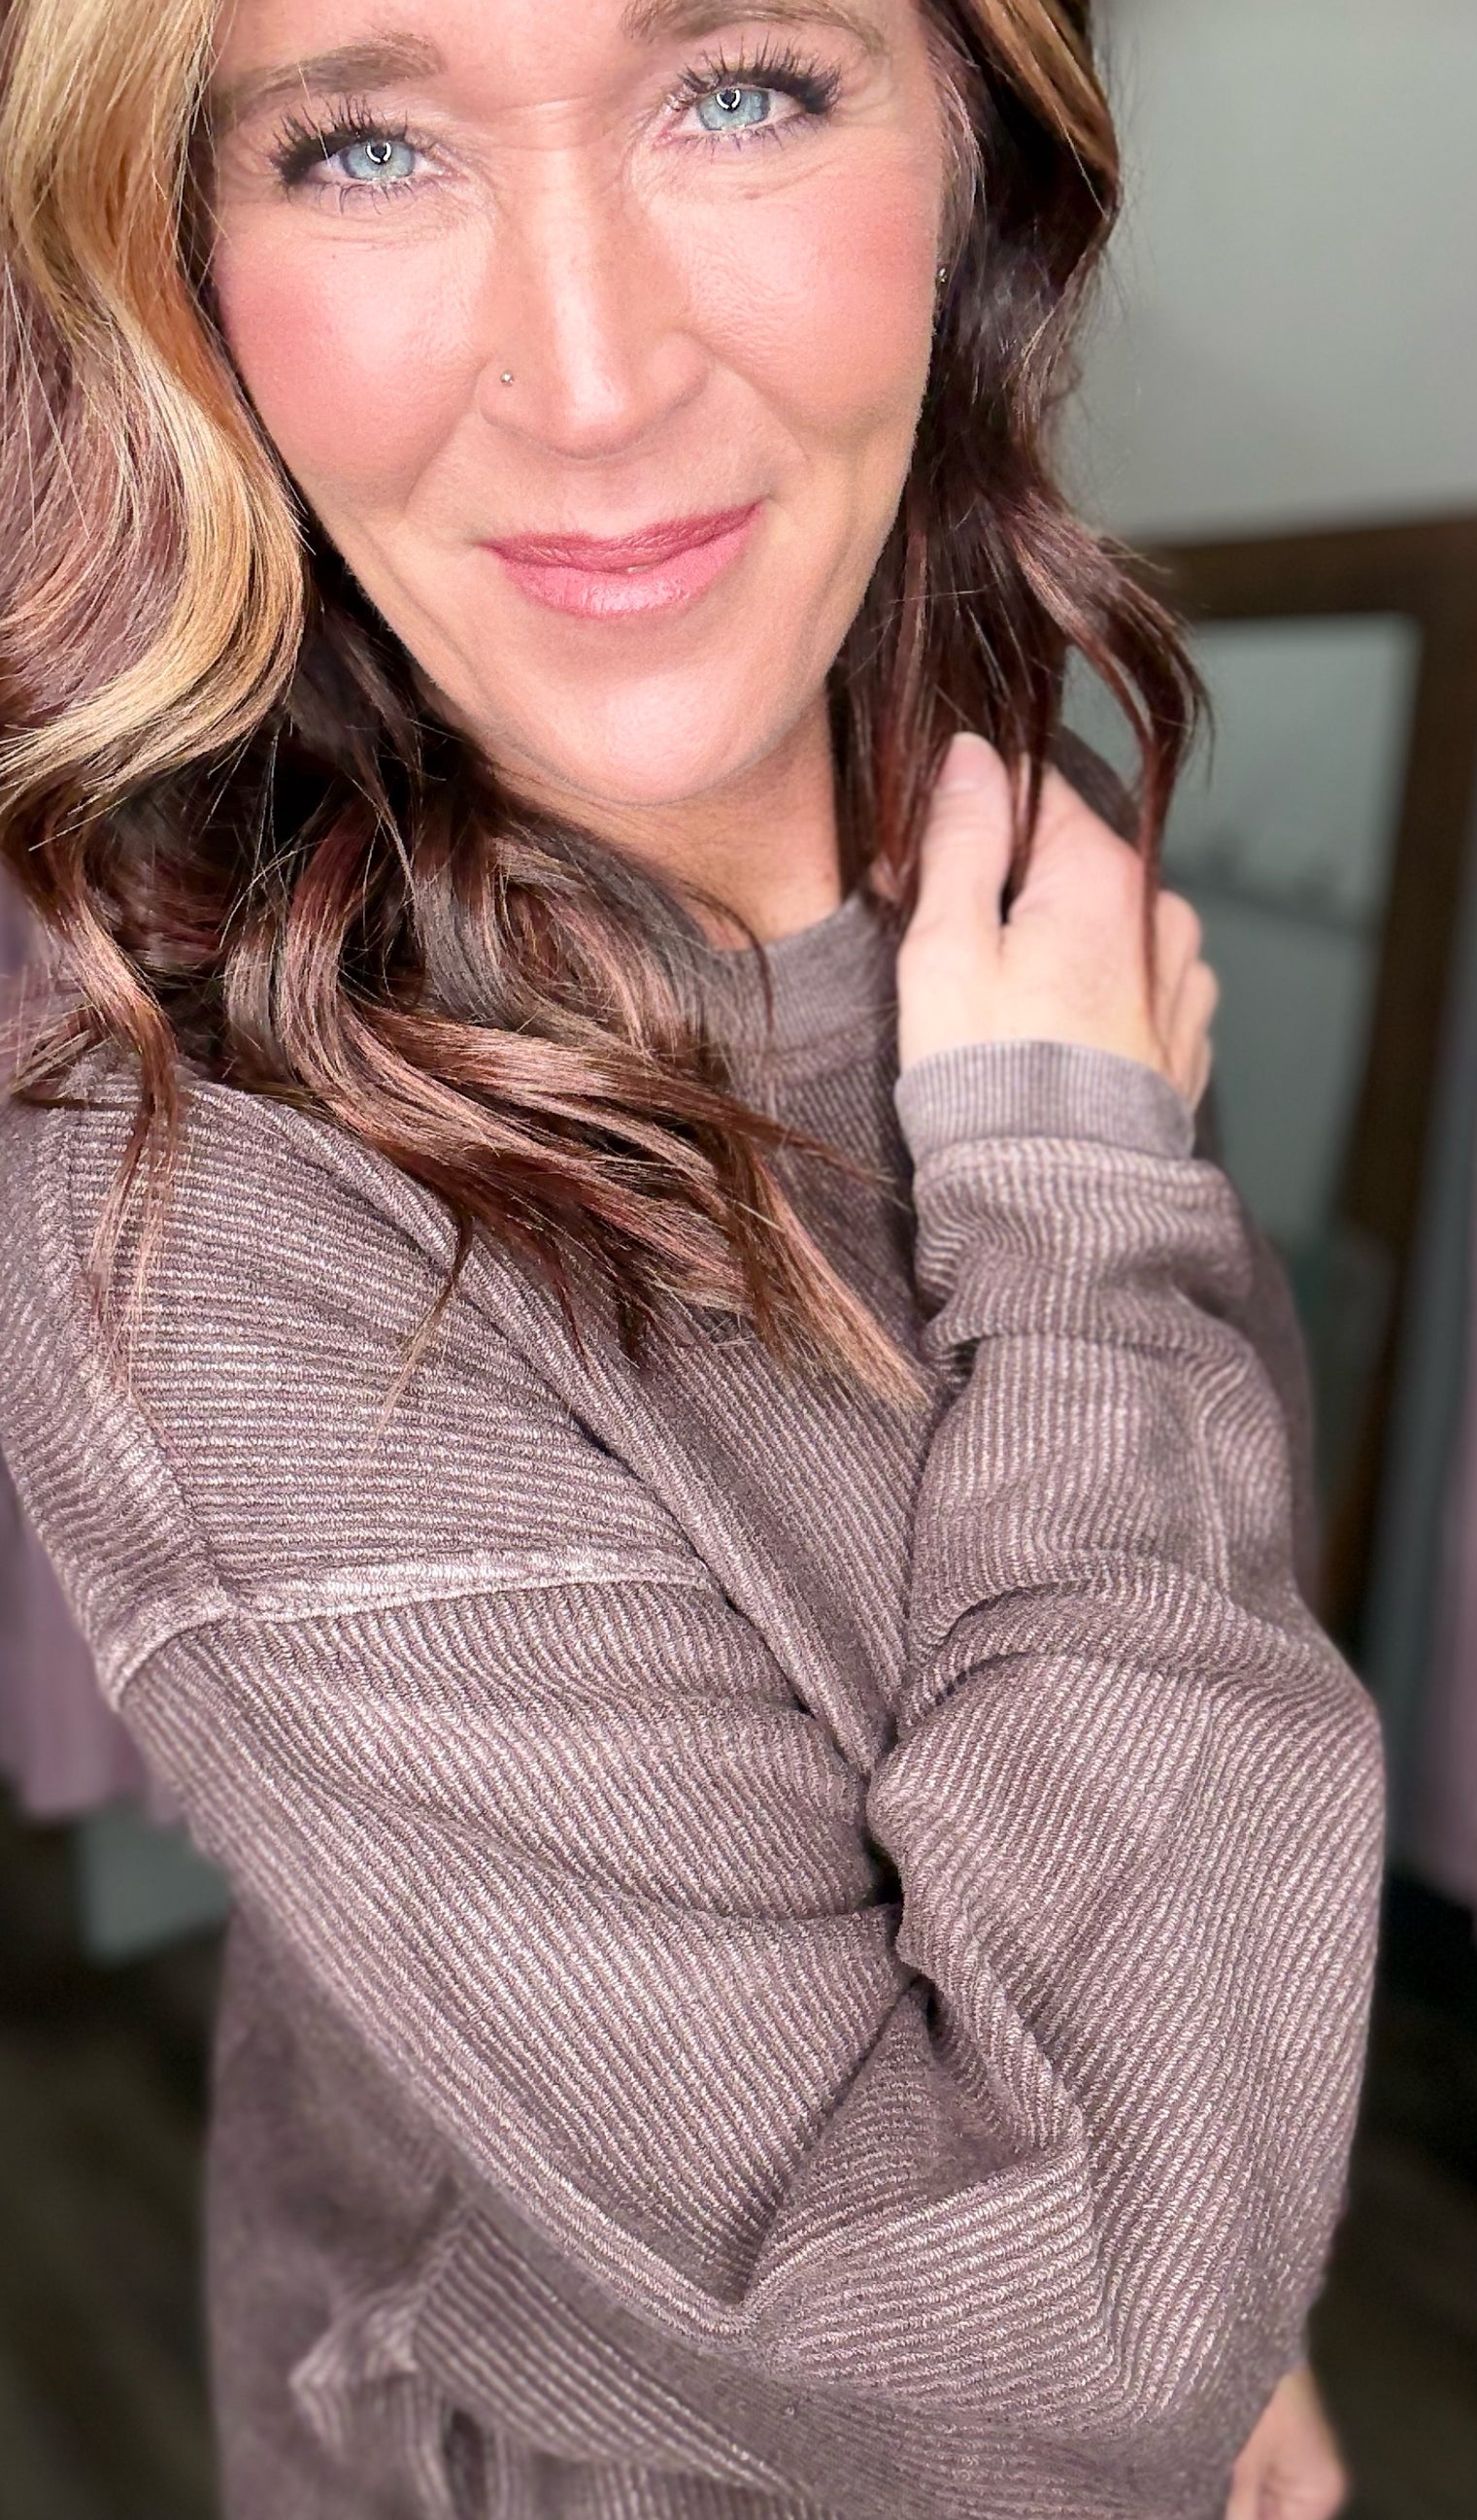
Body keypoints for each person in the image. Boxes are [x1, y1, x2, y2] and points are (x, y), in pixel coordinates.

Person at [0, 0, 1387, 2512]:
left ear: (975, 141)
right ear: (178, 259)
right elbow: (1063, 2346)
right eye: (362, 145)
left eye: (737, 87)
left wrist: (1236, 2251)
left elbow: (1175, 1722)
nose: (594, 380)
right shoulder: (207, 1221)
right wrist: (1082, 1219)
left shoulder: (1006, 867)